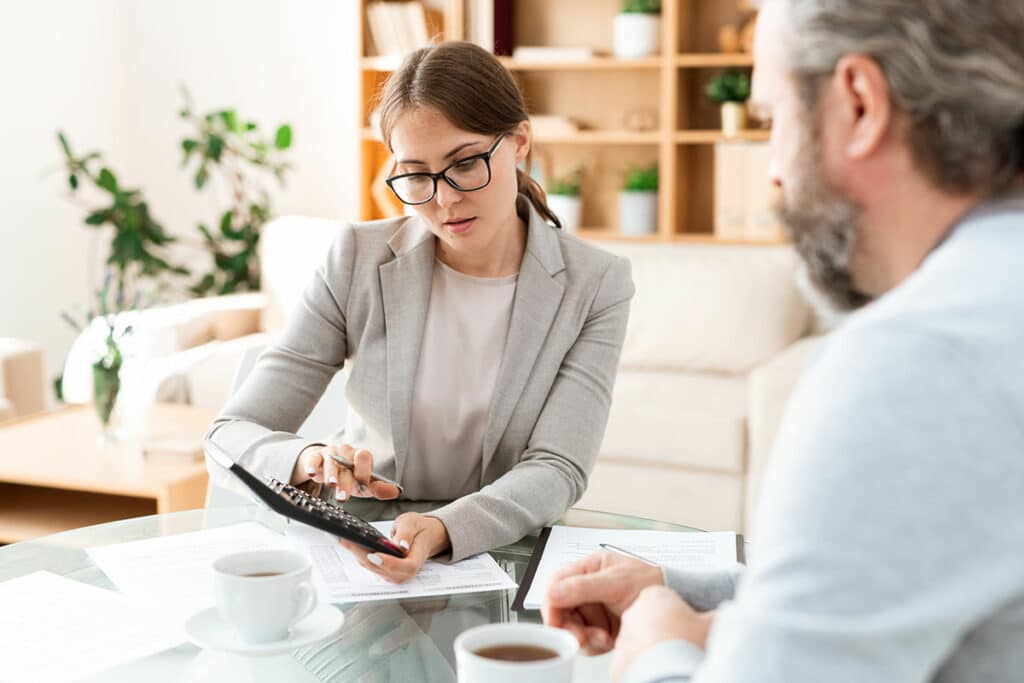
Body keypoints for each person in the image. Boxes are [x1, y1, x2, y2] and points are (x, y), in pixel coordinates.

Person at [543, 1, 1024, 681]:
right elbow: (904, 584)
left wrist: (657, 644)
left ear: (859, 103)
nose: (771, 169)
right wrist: (681, 595)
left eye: (771, 121)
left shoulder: (917, 361)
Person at [205, 41, 634, 583]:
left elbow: (558, 468)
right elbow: (229, 433)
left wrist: (443, 528)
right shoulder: (355, 260)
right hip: (365, 558)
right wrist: (306, 459)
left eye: (465, 163)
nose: (444, 199)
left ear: (520, 141)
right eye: (416, 174)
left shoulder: (596, 284)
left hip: (501, 560)